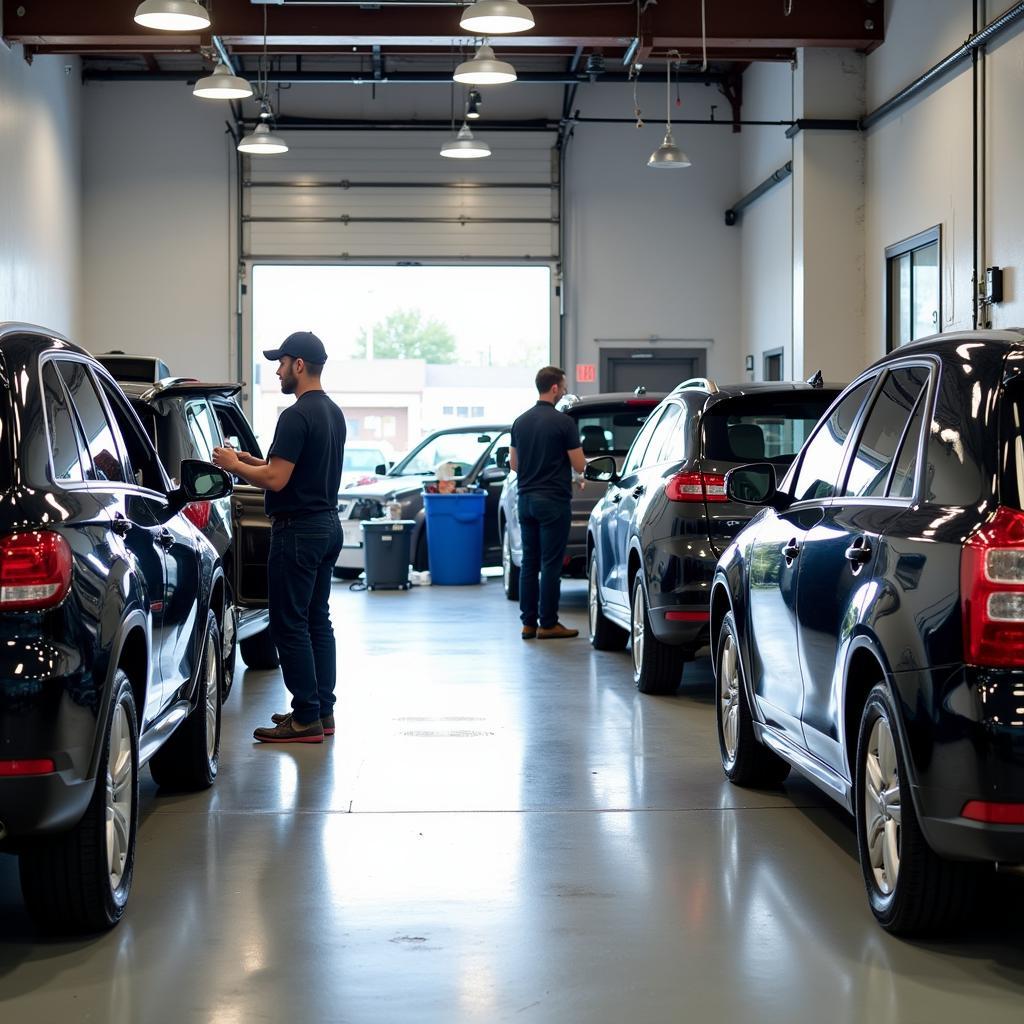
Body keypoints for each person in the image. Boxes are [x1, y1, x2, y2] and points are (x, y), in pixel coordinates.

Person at [212, 331, 346, 744]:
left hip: (298, 531)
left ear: (299, 365)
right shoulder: (332, 412)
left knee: (288, 625)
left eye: (282, 362)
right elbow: (287, 466)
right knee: (316, 620)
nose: (278, 370)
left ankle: (304, 716)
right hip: (326, 525)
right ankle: (322, 711)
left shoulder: (295, 415)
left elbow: (276, 477)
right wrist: (252, 460)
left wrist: (235, 466)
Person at [509, 366, 586, 640]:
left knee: (529, 562)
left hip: (526, 500)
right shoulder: (563, 423)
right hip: (553, 501)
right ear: (554, 388)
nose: (564, 390)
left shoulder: (520, 422)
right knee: (551, 564)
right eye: (563, 386)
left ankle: (528, 623)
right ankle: (548, 623)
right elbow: (579, 464)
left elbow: (514, 464)